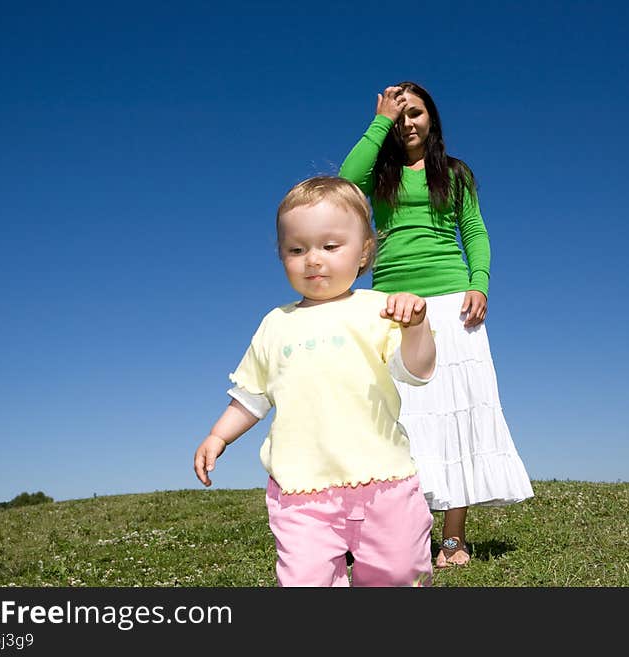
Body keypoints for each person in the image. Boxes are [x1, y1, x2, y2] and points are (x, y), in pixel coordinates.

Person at [194, 176, 437, 587]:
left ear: (364, 252)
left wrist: (416, 327)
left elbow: (415, 371)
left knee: (398, 575)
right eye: (297, 249)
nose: (313, 259)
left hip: (383, 482)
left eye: (330, 246)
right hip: (301, 489)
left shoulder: (380, 309)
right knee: (305, 581)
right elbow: (252, 396)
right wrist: (218, 436)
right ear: (281, 256)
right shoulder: (275, 324)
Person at [339, 81, 534, 568]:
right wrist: (378, 120)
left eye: (416, 112)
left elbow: (474, 231)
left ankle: (452, 539)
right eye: (399, 114)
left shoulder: (455, 173)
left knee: (458, 413)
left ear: (433, 119)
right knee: (393, 416)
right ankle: (394, 532)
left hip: (451, 303)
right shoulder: (378, 177)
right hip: (388, 304)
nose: (408, 122)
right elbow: (344, 181)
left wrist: (480, 284)